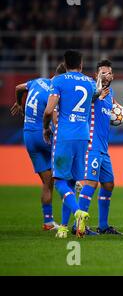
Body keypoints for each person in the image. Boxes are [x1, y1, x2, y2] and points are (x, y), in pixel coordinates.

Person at [76, 59, 123, 235]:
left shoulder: (110, 92)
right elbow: (89, 100)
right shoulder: (92, 89)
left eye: (108, 73)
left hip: (103, 147)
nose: (105, 75)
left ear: (113, 76)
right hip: (91, 145)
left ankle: (103, 225)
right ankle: (79, 225)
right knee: (91, 183)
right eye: (102, 72)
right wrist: (97, 91)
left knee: (108, 184)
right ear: (96, 75)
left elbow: (116, 107)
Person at [43, 50, 100, 238]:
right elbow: (95, 97)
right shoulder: (90, 83)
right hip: (84, 136)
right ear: (81, 64)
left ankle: (78, 212)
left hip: (65, 136)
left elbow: (49, 110)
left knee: (59, 181)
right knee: (73, 182)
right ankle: (64, 228)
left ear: (65, 64)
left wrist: (45, 128)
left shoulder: (57, 81)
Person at [10, 63, 66, 231]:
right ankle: (71, 214)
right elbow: (52, 116)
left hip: (28, 136)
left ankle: (48, 221)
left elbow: (19, 87)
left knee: (47, 181)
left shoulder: (37, 81)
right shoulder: (55, 92)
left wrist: (19, 103)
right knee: (64, 176)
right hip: (44, 135)